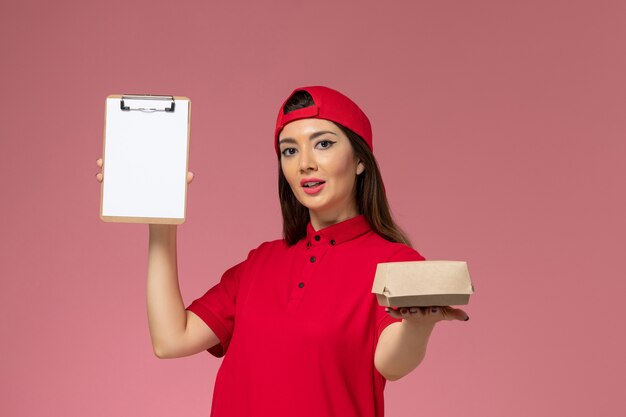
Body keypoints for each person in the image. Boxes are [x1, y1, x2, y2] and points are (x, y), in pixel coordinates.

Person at [95, 86, 469, 417]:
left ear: (359, 160)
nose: (305, 161)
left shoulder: (395, 263)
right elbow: (170, 339)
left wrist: (418, 325)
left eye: (323, 143)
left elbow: (390, 364)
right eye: (289, 150)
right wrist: (162, 217)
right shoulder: (261, 262)